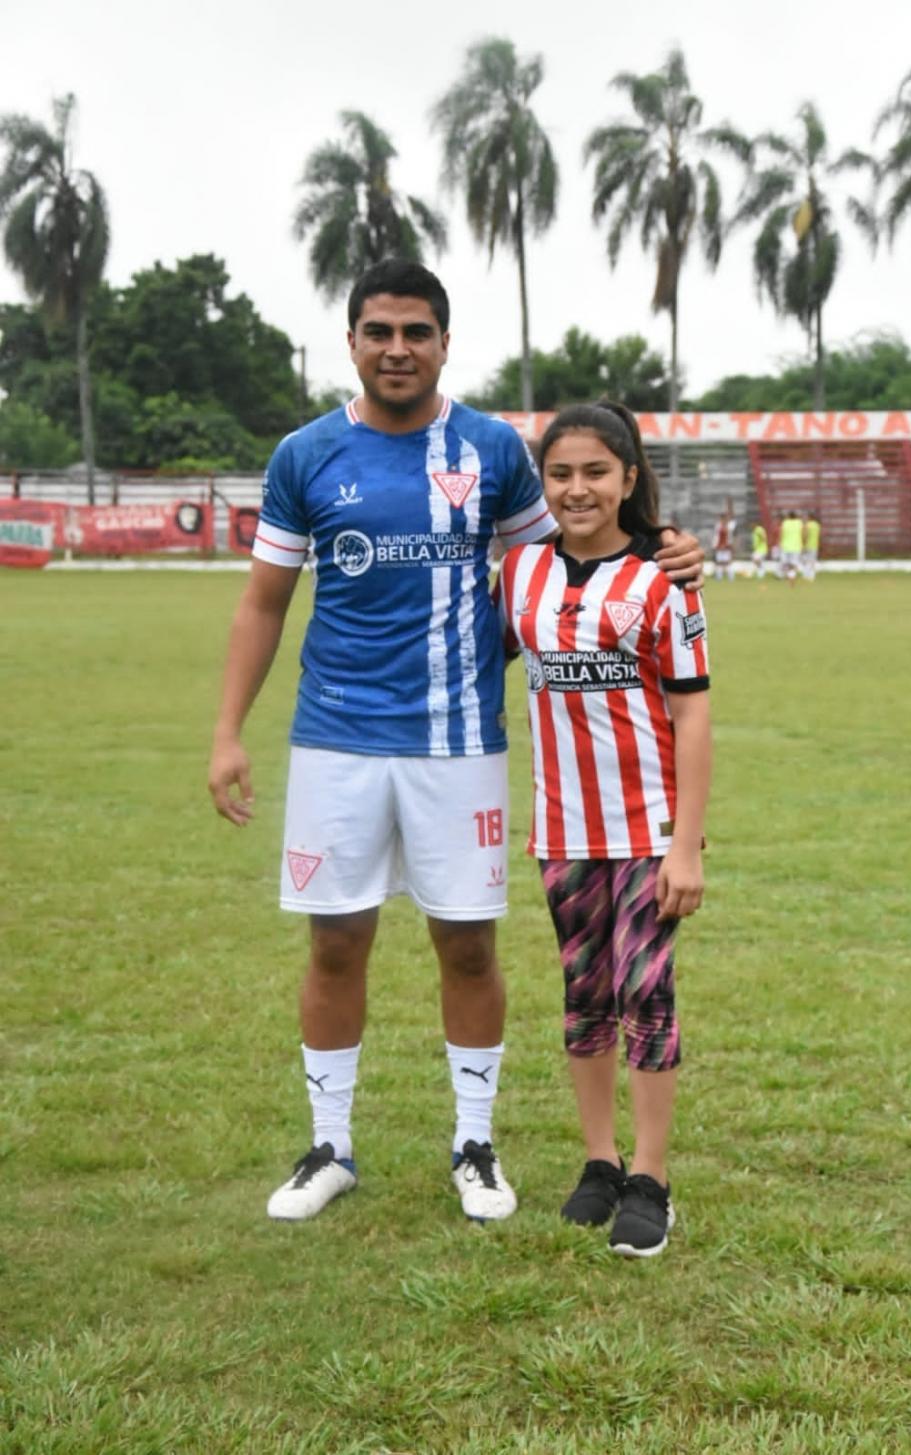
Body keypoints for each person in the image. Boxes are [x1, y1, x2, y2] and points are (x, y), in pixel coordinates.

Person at [207, 260, 704, 1226]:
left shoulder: (493, 451)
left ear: (444, 341)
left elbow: (564, 558)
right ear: (351, 340)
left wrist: (662, 547)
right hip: (337, 739)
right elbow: (263, 601)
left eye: (417, 331)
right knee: (336, 940)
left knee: (468, 947)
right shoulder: (305, 454)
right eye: (379, 331)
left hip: (461, 739)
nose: (398, 348)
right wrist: (227, 731)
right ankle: (330, 1145)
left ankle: (475, 1145)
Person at [498, 401, 711, 1258]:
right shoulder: (518, 573)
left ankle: (651, 1178)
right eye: (560, 473)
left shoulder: (668, 580)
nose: (577, 488)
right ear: (542, 483)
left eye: (595, 471)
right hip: (562, 829)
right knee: (585, 995)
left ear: (628, 478)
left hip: (647, 827)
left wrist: (686, 843)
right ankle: (599, 1161)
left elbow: (692, 718)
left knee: (645, 993)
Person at [779, 510, 803, 583]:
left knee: (784, 562)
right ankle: (791, 575)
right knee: (793, 563)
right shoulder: (799, 523)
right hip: (796, 546)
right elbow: (803, 533)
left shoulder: (785, 523)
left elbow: (781, 533)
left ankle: (787, 576)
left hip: (785, 545)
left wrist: (780, 542)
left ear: (788, 516)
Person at [712, 511, 734, 581]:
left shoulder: (729, 526)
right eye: (722, 518)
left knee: (727, 562)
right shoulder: (718, 526)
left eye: (724, 518)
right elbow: (716, 537)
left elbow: (729, 537)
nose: (723, 520)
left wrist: (728, 545)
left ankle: (731, 578)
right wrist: (715, 545)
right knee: (719, 562)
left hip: (726, 547)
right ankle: (719, 578)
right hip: (719, 546)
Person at [802, 511, 821, 581]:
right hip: (814, 545)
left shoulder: (807, 525)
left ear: (809, 517)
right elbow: (818, 536)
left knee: (806, 560)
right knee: (812, 561)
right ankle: (812, 576)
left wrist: (803, 544)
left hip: (808, 545)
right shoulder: (817, 525)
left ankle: (806, 575)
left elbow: (805, 535)